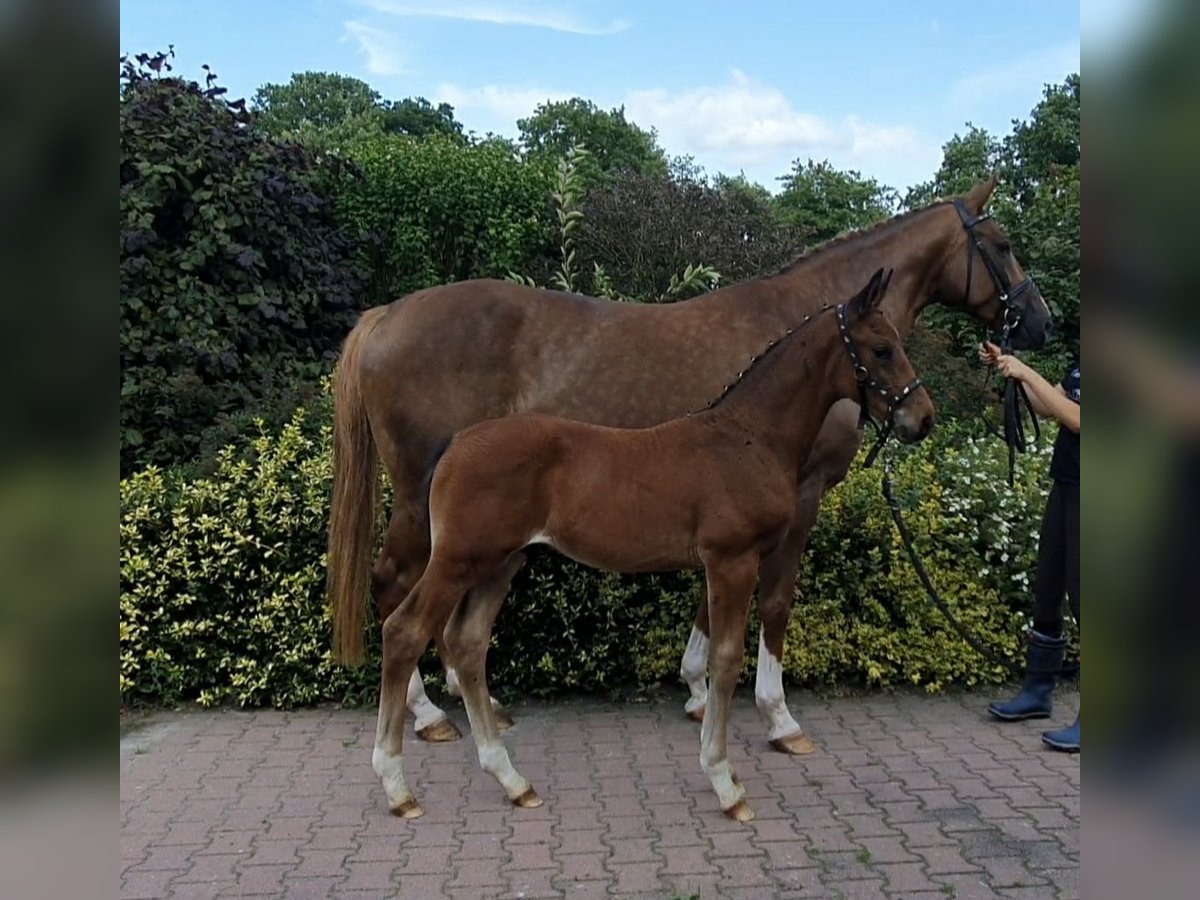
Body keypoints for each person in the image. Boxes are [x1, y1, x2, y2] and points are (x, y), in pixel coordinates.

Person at [980, 340, 1080, 752]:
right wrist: (1011, 368)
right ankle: (1038, 691)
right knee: (1048, 586)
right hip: (1069, 482)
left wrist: (1026, 372)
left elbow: (1078, 419)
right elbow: (1049, 405)